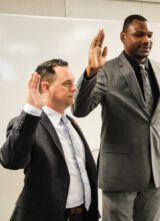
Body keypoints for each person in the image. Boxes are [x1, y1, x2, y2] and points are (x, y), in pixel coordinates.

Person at [72, 14, 160, 221]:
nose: (146, 40)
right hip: (119, 176)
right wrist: (90, 72)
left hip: (153, 175)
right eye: (139, 34)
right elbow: (79, 109)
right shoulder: (106, 71)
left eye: (149, 35)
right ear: (123, 36)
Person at [0, 59, 99, 221]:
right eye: (67, 83)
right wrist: (32, 110)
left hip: (81, 215)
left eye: (73, 82)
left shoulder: (71, 123)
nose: (74, 88)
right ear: (46, 87)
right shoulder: (28, 124)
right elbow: (11, 161)